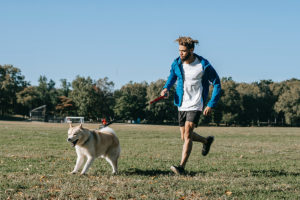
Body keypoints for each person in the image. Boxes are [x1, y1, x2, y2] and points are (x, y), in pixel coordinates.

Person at [161, 36, 221, 174]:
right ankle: (206, 141)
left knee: (188, 135)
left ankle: (181, 167)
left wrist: (211, 103)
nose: (180, 53)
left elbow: (217, 83)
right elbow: (172, 77)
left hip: (196, 103)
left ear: (191, 50)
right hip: (181, 103)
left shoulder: (203, 65)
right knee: (184, 136)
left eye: (183, 51)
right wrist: (166, 88)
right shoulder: (177, 63)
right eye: (179, 50)